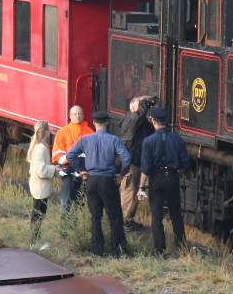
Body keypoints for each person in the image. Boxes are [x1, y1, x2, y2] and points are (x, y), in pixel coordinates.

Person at [63, 111, 131, 257]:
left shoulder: (85, 140)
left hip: (91, 180)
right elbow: (126, 158)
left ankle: (97, 250)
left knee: (96, 216)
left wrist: (81, 170)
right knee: (115, 217)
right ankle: (118, 250)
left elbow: (70, 155)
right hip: (108, 180)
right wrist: (121, 174)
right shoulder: (114, 140)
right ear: (107, 123)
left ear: (94, 123)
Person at [140, 105, 191, 255]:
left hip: (156, 179)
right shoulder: (178, 140)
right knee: (176, 213)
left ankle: (159, 249)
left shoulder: (148, 142)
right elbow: (185, 163)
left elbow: (145, 168)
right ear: (166, 121)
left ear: (154, 121)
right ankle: (181, 246)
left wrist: (141, 187)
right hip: (173, 178)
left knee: (156, 215)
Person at [118, 96, 155, 228]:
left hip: (137, 160)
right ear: (134, 107)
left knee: (133, 191)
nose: (144, 107)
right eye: (141, 105)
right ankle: (123, 220)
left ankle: (128, 219)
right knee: (129, 190)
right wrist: (143, 103)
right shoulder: (131, 119)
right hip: (131, 161)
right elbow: (137, 118)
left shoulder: (140, 121)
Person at [52, 105, 93, 211]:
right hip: (68, 169)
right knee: (67, 199)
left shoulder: (90, 132)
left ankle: (77, 222)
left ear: (83, 115)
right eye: (75, 114)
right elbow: (57, 154)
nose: (78, 116)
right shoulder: (63, 132)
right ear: (70, 116)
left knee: (81, 200)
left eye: (80, 113)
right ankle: (65, 223)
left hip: (85, 170)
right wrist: (70, 161)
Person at [26, 119, 57, 229]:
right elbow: (41, 171)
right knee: (38, 215)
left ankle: (35, 240)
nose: (50, 132)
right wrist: (54, 169)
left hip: (38, 186)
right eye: (49, 130)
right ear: (45, 132)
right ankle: (34, 242)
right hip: (40, 187)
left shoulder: (37, 146)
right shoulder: (41, 148)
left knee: (38, 214)